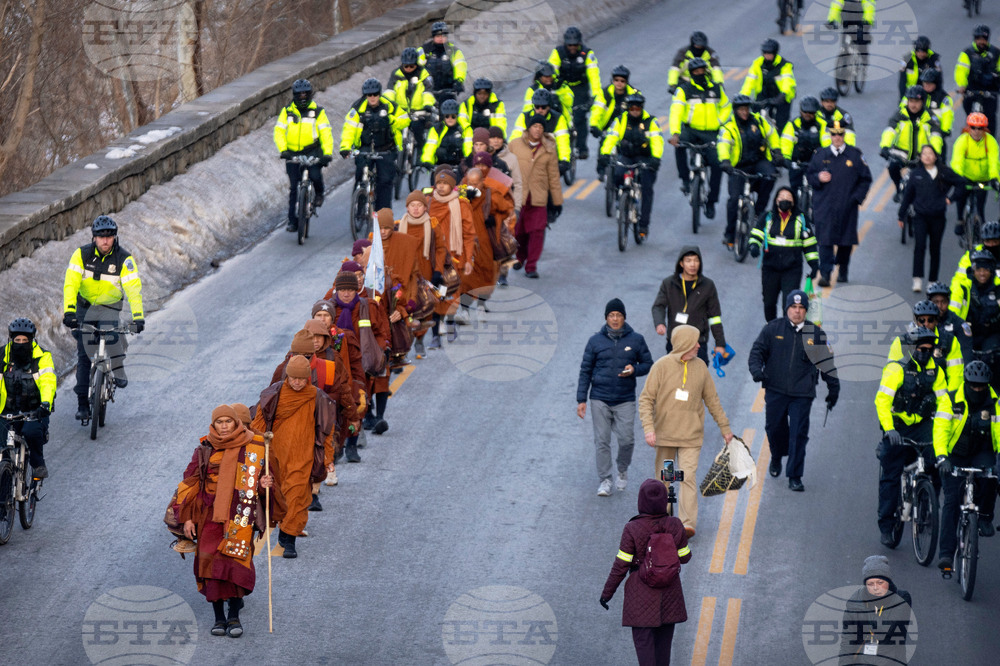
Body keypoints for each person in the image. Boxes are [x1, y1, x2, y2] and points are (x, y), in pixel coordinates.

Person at [172, 405, 283, 638]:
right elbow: (189, 485)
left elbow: (266, 486)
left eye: (228, 421)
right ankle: (218, 618)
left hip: (240, 515)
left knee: (234, 566)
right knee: (210, 566)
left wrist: (264, 486)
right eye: (219, 422)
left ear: (236, 423)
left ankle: (234, 616)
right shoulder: (204, 450)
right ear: (213, 425)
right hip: (208, 517)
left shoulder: (254, 447)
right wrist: (188, 518)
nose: (224, 426)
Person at [639, 325, 733, 536]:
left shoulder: (700, 367)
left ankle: (685, 524)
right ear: (683, 344)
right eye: (694, 342)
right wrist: (649, 429)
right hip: (666, 438)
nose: (699, 345)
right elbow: (646, 399)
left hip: (690, 437)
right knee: (666, 480)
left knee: (688, 476)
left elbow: (712, 400)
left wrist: (724, 428)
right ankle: (662, 520)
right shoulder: (661, 367)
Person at [749, 290, 839, 491]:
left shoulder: (816, 335)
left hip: (802, 393)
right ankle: (777, 455)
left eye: (801, 308)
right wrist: (757, 371)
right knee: (774, 429)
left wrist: (834, 390)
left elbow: (827, 365)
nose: (797, 312)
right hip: (776, 390)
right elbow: (757, 352)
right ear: (787, 308)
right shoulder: (772, 329)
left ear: (806, 311)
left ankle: (795, 476)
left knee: (798, 433)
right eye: (793, 307)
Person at [251, 355, 336, 559]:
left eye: (301, 378)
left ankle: (289, 539)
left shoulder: (316, 396)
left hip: (302, 456)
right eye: (293, 378)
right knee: (277, 495)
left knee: (297, 498)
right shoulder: (274, 394)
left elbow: (326, 430)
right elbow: (258, 423)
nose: (296, 382)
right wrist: (258, 443)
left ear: (308, 378)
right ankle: (283, 530)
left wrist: (328, 458)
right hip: (275, 456)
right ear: (287, 376)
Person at [600, 479, 691, 666]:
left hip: (640, 597)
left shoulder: (632, 528)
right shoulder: (674, 524)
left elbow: (621, 565)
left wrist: (606, 594)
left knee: (645, 650)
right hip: (670, 596)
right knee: (663, 651)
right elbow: (685, 557)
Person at [62, 215, 145, 421]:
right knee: (83, 355)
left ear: (115, 238)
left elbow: (133, 290)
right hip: (85, 308)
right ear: (94, 237)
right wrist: (70, 312)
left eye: (109, 237)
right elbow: (70, 284)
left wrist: (138, 317)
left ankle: (118, 369)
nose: (105, 241)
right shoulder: (81, 254)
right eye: (101, 237)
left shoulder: (124, 259)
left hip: (109, 308)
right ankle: (82, 403)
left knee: (113, 336)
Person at [874, 327, 945, 546]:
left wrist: (942, 438)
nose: (924, 353)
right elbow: (882, 402)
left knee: (937, 464)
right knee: (891, 475)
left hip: (923, 426)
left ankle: (927, 504)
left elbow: (944, 405)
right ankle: (887, 526)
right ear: (912, 348)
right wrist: (889, 429)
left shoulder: (936, 372)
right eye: (920, 349)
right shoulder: (896, 369)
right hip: (898, 427)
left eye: (928, 349)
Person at [577, 298, 653, 496]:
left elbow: (648, 363)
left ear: (624, 318)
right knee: (601, 441)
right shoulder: (595, 341)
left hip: (625, 398)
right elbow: (585, 370)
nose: (615, 319)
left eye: (619, 315)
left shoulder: (636, 340)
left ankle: (622, 468)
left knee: (626, 440)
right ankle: (605, 480)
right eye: (611, 315)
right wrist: (581, 400)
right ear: (606, 318)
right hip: (599, 398)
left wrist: (634, 369)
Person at [933, 360, 1000, 573]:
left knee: (991, 478)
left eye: (982, 386)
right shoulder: (951, 400)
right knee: (952, 502)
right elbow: (941, 429)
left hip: (983, 451)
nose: (978, 389)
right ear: (967, 383)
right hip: (956, 455)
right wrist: (942, 458)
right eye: (974, 385)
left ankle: (985, 518)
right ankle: (946, 554)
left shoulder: (995, 402)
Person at [807, 121, 872, 286]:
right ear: (830, 134)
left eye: (840, 134)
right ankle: (826, 274)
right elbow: (809, 175)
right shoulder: (820, 155)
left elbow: (865, 179)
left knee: (846, 241)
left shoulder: (854, 155)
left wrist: (856, 198)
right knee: (825, 241)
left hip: (846, 206)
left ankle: (843, 268)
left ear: (844, 135)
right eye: (834, 134)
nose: (837, 137)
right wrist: (818, 178)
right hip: (825, 206)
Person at [668, 58, 728, 219]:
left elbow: (726, 107)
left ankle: (711, 202)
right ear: (691, 74)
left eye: (702, 71)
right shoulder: (684, 90)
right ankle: (686, 181)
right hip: (691, 130)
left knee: (718, 165)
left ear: (706, 71)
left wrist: (719, 122)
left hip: (712, 132)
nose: (699, 74)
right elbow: (676, 111)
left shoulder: (716, 89)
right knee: (679, 146)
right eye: (695, 72)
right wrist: (675, 133)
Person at [718, 95, 781, 247]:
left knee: (771, 176)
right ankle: (730, 234)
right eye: (741, 109)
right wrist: (725, 161)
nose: (744, 112)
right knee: (734, 200)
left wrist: (777, 151)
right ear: (735, 111)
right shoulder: (729, 127)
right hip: (738, 166)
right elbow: (723, 145)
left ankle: (758, 212)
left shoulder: (759, 121)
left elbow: (772, 135)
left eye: (746, 109)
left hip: (758, 161)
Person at [749, 187, 819, 322]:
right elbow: (756, 234)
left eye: (788, 198)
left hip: (792, 269)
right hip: (770, 268)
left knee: (789, 304)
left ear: (793, 202)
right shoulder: (767, 217)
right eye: (781, 197)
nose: (784, 200)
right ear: (776, 200)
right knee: (769, 303)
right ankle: (771, 328)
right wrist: (754, 246)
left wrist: (814, 264)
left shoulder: (801, 220)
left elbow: (809, 243)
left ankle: (785, 332)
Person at [897, 146, 960, 292]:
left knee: (935, 248)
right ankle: (917, 279)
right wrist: (901, 215)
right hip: (920, 217)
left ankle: (932, 281)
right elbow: (908, 196)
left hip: (938, 217)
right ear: (920, 157)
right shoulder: (916, 174)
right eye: (924, 154)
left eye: (930, 153)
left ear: (935, 156)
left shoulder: (944, 172)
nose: (927, 156)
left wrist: (951, 198)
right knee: (919, 246)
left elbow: (960, 183)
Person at [273, 78, 333, 232]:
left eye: (305, 94)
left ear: (310, 94)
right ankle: (293, 221)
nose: (302, 97)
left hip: (312, 150)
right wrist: (283, 150)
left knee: (315, 175)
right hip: (292, 152)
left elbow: (326, 133)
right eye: (299, 95)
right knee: (294, 187)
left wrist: (326, 153)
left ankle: (319, 193)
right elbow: (279, 131)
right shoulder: (287, 112)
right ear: (294, 95)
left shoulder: (318, 112)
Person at [339, 77, 406, 212]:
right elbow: (349, 129)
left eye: (375, 94)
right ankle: (359, 206)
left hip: (386, 149)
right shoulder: (358, 108)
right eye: (369, 95)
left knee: (385, 182)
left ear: (379, 94)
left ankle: (384, 216)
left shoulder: (389, 106)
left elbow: (405, 120)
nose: (372, 97)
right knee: (360, 174)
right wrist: (345, 147)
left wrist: (391, 120)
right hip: (365, 148)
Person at [601, 93, 663, 238]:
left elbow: (657, 141)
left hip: (645, 158)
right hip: (627, 156)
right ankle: (621, 199)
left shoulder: (650, 122)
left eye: (638, 108)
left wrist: (656, 158)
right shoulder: (620, 120)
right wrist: (604, 153)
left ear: (641, 108)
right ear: (628, 108)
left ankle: (643, 225)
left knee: (647, 188)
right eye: (632, 108)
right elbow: (611, 137)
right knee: (617, 174)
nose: (635, 111)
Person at [508, 115, 563, 279]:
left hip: (539, 197)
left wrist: (557, 201)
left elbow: (553, 175)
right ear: (528, 128)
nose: (538, 129)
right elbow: (505, 166)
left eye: (541, 126)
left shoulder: (550, 148)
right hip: (519, 197)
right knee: (519, 231)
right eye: (535, 126)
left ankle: (531, 266)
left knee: (537, 231)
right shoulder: (515, 145)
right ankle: (519, 257)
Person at [651, 246, 726, 365]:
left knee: (697, 381)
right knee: (674, 380)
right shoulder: (668, 283)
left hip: (698, 343)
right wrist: (659, 323)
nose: (693, 264)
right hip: (675, 342)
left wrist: (720, 344)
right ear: (681, 263)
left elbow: (714, 317)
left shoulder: (708, 285)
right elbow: (658, 306)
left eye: (696, 260)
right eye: (688, 261)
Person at [0, 318, 55, 479]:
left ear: (32, 340)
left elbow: (48, 382)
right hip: (7, 411)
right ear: (11, 339)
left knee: (31, 432)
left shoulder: (42, 357)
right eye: (18, 340)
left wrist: (45, 404)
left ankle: (38, 464)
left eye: (25, 340)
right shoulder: (2, 356)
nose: (21, 343)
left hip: (35, 411)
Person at [838, 555, 913, 666]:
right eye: (870, 584)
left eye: (880, 582)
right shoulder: (855, 601)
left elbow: (884, 629)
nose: (875, 588)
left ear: (888, 581)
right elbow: (848, 638)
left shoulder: (902, 598)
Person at [398, 190, 448, 355]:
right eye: (412, 205)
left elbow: (441, 249)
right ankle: (407, 343)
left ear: (425, 208)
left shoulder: (433, 225)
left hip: (426, 272)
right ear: (407, 208)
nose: (416, 209)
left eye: (419, 205)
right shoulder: (400, 226)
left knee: (426, 307)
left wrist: (438, 270)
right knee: (407, 306)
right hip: (407, 275)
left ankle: (421, 338)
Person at [428, 169, 476, 339]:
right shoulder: (429, 203)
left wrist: (469, 259)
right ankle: (437, 326)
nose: (441, 187)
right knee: (434, 291)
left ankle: (449, 321)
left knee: (451, 291)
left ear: (452, 185)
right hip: (432, 256)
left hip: (455, 256)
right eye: (438, 183)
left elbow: (469, 234)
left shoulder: (461, 205)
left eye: (445, 183)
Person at [461, 163, 513, 305]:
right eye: (469, 183)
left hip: (485, 242)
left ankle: (481, 304)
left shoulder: (491, 195)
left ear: (482, 181)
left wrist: (495, 219)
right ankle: (465, 308)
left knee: (486, 274)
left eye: (476, 183)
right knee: (466, 277)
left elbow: (507, 209)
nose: (472, 187)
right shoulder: (460, 194)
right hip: (466, 242)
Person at [547, 26, 602, 160]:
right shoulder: (558, 52)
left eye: (575, 44)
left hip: (580, 88)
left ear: (579, 43)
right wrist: (551, 88)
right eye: (569, 44)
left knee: (579, 117)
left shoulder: (587, 54)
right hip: (563, 88)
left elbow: (594, 77)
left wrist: (594, 96)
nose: (572, 47)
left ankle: (582, 147)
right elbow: (549, 71)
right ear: (565, 43)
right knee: (557, 114)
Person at [879, 86, 943, 200]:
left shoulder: (930, 117)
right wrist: (885, 146)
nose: (913, 105)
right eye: (911, 101)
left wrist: (935, 153)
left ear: (922, 102)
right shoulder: (900, 114)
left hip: (921, 156)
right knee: (892, 167)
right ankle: (899, 188)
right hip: (901, 153)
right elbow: (890, 131)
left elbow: (936, 137)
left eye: (917, 102)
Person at [886, 300, 963, 392]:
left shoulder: (950, 341)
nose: (926, 324)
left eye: (930, 320)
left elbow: (956, 375)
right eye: (921, 320)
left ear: (936, 321)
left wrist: (949, 399)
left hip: (937, 394)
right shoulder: (901, 342)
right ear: (915, 321)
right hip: (906, 395)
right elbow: (891, 374)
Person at [950, 112, 998, 238]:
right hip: (965, 178)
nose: (976, 131)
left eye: (980, 128)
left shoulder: (991, 141)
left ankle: (980, 228)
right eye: (973, 128)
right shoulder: (962, 141)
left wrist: (994, 178)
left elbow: (994, 162)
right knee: (961, 196)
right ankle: (960, 218)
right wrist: (958, 179)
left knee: (980, 209)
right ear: (969, 128)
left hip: (983, 179)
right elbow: (957, 162)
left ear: (984, 129)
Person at [591, 65, 641, 180]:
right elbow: (597, 110)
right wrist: (594, 125)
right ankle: (601, 169)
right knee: (604, 143)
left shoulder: (634, 94)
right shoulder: (604, 93)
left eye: (622, 81)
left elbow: (639, 114)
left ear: (627, 82)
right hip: (608, 126)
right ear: (612, 80)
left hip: (626, 127)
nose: (619, 83)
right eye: (616, 80)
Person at [385, 47, 436, 157]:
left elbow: (428, 92)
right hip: (401, 112)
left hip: (419, 112)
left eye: (411, 66)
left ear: (416, 64)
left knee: (417, 128)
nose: (408, 68)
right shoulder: (396, 74)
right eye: (406, 66)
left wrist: (427, 105)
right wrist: (387, 104)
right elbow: (390, 91)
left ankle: (422, 154)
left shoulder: (424, 74)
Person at [740, 39, 796, 133]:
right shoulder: (757, 63)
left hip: (781, 97)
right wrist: (743, 96)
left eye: (770, 53)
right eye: (765, 53)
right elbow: (749, 81)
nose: (767, 55)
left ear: (775, 53)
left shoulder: (784, 65)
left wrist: (783, 95)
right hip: (764, 95)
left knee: (781, 124)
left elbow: (787, 81)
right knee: (756, 120)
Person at [955, 24, 1000, 135]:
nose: (981, 42)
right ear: (974, 39)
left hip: (991, 90)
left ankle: (991, 140)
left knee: (990, 117)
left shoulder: (996, 53)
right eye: (978, 39)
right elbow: (961, 71)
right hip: (971, 89)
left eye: (983, 39)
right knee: (969, 114)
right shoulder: (967, 53)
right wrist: (962, 85)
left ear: (987, 39)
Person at [508, 88, 572, 167]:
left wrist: (564, 160)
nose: (540, 110)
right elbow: (515, 137)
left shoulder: (558, 118)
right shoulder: (524, 117)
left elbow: (563, 141)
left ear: (549, 106)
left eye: (543, 107)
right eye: (537, 106)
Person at [780, 96, 828, 192]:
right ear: (800, 111)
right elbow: (786, 143)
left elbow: (827, 143)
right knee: (794, 189)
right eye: (805, 111)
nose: (807, 114)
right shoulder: (793, 124)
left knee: (820, 189)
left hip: (815, 162)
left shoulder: (822, 124)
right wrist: (786, 158)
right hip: (797, 162)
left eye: (811, 112)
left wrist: (826, 159)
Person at [418, 21, 467, 104]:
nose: (441, 38)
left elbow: (460, 66)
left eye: (443, 36)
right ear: (433, 36)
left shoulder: (454, 51)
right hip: (427, 91)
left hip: (448, 90)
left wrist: (459, 80)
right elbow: (416, 66)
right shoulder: (424, 50)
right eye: (438, 36)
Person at [927, 281, 973, 360]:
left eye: (943, 302)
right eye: (935, 302)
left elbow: (966, 353)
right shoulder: (922, 321)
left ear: (948, 302)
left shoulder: (959, 324)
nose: (939, 306)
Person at [913, 69, 953, 158]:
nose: (926, 85)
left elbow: (947, 116)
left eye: (929, 83)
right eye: (924, 82)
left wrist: (944, 131)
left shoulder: (943, 98)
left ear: (936, 83)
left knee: (939, 161)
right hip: (918, 135)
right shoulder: (916, 94)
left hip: (936, 134)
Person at [421, 98, 470, 169]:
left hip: (459, 166)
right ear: (443, 116)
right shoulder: (436, 129)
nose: (450, 119)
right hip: (440, 165)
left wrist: (468, 162)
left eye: (453, 116)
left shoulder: (465, 129)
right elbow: (430, 147)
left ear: (457, 116)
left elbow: (468, 147)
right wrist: (427, 161)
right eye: (447, 116)